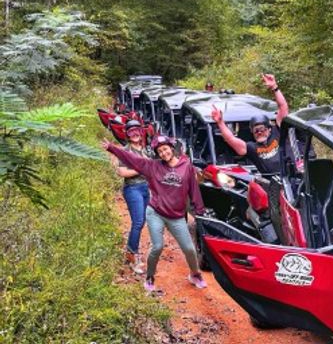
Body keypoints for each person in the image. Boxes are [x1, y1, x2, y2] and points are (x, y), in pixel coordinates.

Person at [102, 134, 207, 292]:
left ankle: (195, 274)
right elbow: (132, 159)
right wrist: (112, 148)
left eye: (165, 149)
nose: (164, 153)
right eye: (160, 152)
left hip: (177, 216)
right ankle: (150, 278)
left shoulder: (186, 166)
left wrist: (199, 210)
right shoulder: (153, 166)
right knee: (157, 246)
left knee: (189, 249)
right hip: (156, 213)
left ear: (171, 148)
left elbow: (194, 189)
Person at [211, 74, 289, 176]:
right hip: (273, 183)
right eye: (256, 130)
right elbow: (231, 139)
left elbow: (283, 107)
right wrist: (220, 123)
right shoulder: (252, 147)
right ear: (252, 132)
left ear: (269, 129)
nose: (259, 132)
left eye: (262, 129)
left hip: (291, 176)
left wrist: (274, 87)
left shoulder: (278, 132)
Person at [115, 119, 150, 274]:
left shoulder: (146, 150)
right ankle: (132, 256)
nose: (135, 134)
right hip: (132, 188)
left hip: (145, 188)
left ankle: (130, 253)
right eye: (131, 132)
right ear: (127, 135)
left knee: (142, 222)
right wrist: (141, 168)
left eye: (137, 131)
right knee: (137, 222)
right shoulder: (125, 151)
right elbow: (121, 172)